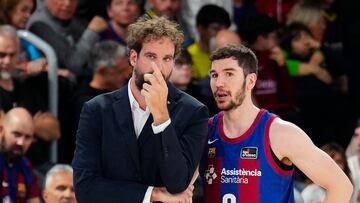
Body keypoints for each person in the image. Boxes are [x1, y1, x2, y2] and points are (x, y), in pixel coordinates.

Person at [72, 16, 209, 203]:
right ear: (133, 57)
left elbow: (177, 183)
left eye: (167, 58)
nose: (159, 68)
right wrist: (152, 194)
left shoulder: (194, 112)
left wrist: (161, 115)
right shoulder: (96, 110)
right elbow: (85, 188)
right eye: (151, 56)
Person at [200, 44, 352, 202]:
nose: (219, 83)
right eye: (214, 75)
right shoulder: (204, 131)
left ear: (250, 81)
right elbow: (178, 187)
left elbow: (341, 186)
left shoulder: (280, 133)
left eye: (229, 74)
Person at [0, 107, 41, 203]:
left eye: (27, 137)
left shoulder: (25, 165)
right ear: (1, 131)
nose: (21, 142)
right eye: (16, 134)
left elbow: (34, 200)